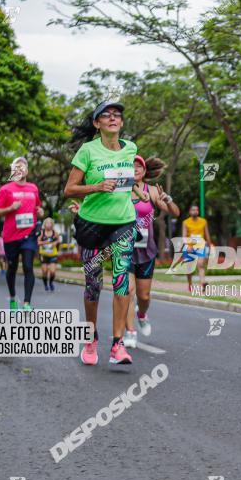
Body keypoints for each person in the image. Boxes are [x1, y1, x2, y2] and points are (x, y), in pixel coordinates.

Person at [64, 100, 144, 366]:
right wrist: (97, 187)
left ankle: (118, 344)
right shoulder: (87, 151)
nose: (113, 118)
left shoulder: (131, 148)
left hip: (123, 222)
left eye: (117, 115)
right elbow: (70, 189)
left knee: (122, 280)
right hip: (91, 224)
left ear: (121, 123)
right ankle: (91, 339)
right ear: (97, 124)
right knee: (93, 284)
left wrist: (137, 191)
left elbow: (127, 182)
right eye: (106, 115)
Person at [123, 155, 179, 348]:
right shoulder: (122, 191)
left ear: (145, 171)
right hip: (125, 248)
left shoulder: (152, 190)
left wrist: (168, 200)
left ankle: (141, 314)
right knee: (128, 291)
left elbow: (175, 212)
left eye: (140, 166)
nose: (136, 169)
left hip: (146, 250)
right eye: (132, 166)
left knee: (143, 296)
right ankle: (130, 332)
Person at [0, 156, 42, 311]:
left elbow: (38, 207)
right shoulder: (5, 190)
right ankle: (13, 297)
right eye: (16, 168)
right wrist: (10, 208)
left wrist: (40, 211)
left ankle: (27, 303)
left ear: (27, 170)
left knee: (28, 266)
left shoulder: (33, 188)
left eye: (22, 167)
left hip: (29, 235)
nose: (19, 170)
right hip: (11, 236)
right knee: (12, 268)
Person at [182, 205, 212, 294]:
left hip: (200, 246)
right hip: (189, 248)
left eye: (196, 210)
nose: (195, 211)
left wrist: (210, 245)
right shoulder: (185, 222)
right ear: (190, 212)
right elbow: (184, 236)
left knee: (201, 265)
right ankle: (190, 284)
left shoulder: (203, 221)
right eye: (193, 210)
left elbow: (207, 234)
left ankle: (202, 284)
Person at [37, 218, 61, 292]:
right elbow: (38, 242)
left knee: (53, 271)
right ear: (45, 224)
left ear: (52, 224)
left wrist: (55, 243)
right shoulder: (42, 232)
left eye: (50, 223)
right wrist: (45, 242)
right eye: (47, 223)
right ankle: (45, 284)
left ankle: (50, 283)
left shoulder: (55, 233)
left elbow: (58, 240)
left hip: (53, 255)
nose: (48, 225)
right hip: (43, 255)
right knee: (44, 271)